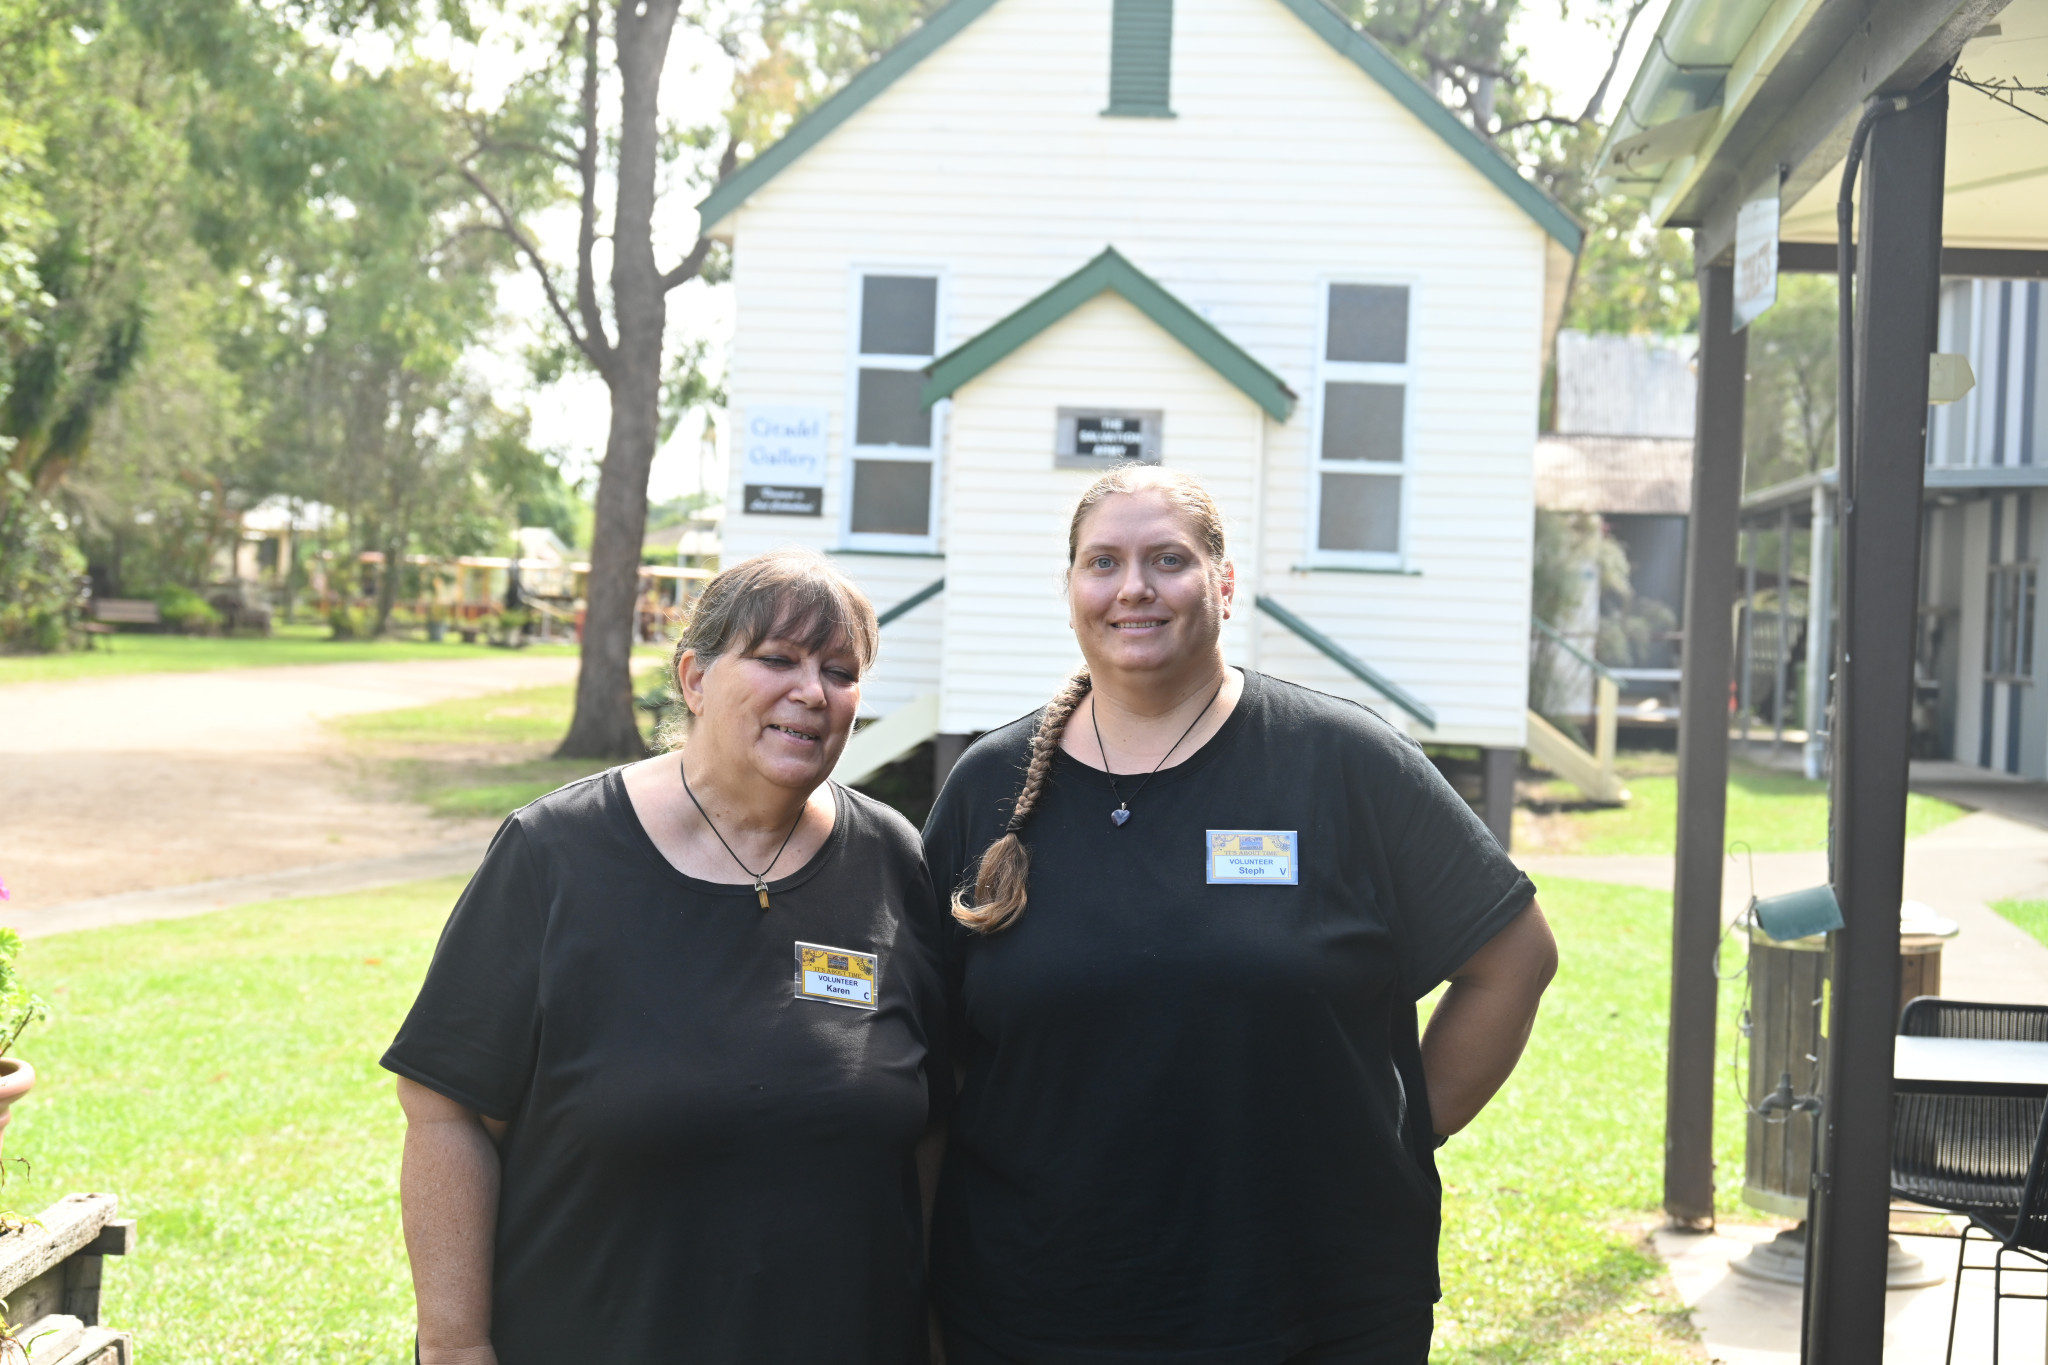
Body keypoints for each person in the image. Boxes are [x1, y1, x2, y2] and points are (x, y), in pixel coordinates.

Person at [924, 466, 1557, 1365]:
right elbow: (935, 1055)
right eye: (1103, 561)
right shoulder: (986, 788)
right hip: (1036, 1308)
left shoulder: (1344, 761)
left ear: (1222, 584)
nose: (1133, 586)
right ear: (1071, 589)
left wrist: (1405, 1133)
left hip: (1313, 1304)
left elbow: (1515, 958)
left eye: (1168, 559)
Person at [383, 548, 948, 1365]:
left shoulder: (890, 858)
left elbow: (929, 1126)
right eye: (776, 658)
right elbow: (446, 1110)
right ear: (693, 678)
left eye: (839, 669)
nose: (812, 691)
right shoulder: (556, 853)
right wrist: (455, 1345)